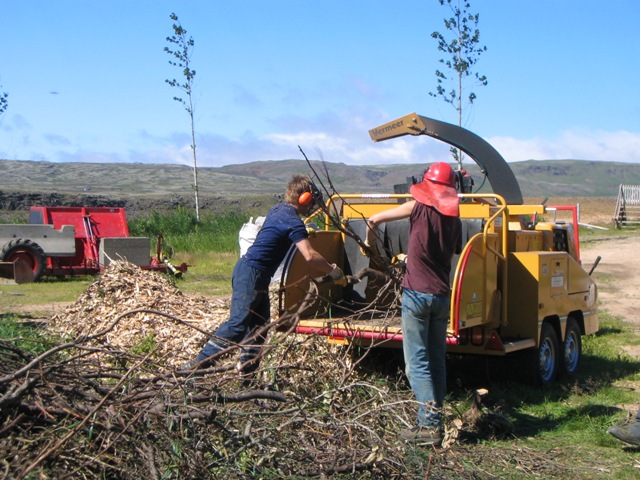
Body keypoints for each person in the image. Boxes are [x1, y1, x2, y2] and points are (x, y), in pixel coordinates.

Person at [182, 174, 347, 375]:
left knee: (259, 328)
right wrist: (333, 271)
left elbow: (280, 230)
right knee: (237, 325)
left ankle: (248, 378)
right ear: (304, 198)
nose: (312, 204)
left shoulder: (279, 210)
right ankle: (195, 367)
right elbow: (310, 256)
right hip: (251, 274)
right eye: (311, 199)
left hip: (254, 274)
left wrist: (302, 231)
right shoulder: (292, 221)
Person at [365, 162, 462, 446]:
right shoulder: (454, 219)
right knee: (435, 361)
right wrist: (413, 256)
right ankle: (437, 420)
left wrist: (371, 250)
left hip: (417, 295)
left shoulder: (417, 207)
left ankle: (429, 426)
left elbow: (374, 220)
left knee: (416, 363)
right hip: (441, 296)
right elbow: (447, 251)